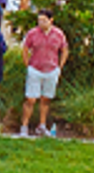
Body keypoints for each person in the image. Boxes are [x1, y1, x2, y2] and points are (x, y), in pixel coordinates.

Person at [17, 8, 68, 139]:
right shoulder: (33, 33)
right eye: (39, 20)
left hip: (51, 69)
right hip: (35, 68)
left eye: (44, 20)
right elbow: (25, 48)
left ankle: (42, 125)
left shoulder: (58, 34)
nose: (41, 23)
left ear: (51, 21)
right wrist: (27, 63)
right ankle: (24, 126)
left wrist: (59, 66)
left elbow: (64, 49)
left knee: (46, 99)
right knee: (30, 99)